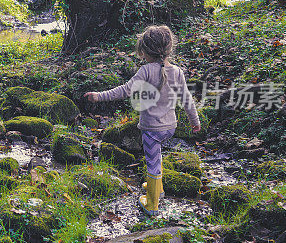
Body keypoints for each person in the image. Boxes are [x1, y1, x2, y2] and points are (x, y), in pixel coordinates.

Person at [84, 25, 201, 216]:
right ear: (169, 49)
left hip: (152, 129)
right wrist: (195, 122)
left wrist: (99, 96)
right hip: (170, 127)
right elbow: (186, 99)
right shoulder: (177, 71)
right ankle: (158, 189)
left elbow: (125, 90)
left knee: (152, 162)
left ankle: (152, 205)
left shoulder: (146, 71)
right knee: (158, 157)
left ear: (145, 51)